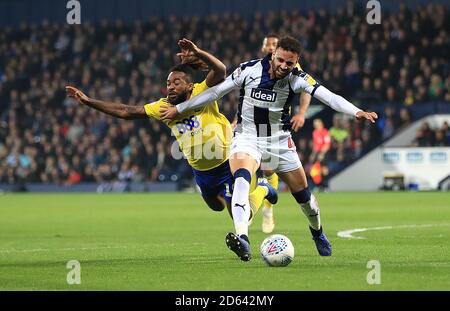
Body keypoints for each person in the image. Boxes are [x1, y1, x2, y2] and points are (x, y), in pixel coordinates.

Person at [161, 36, 378, 261]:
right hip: (247, 137)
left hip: (279, 142)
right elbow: (215, 92)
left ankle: (318, 232)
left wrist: (356, 112)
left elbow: (328, 96)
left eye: (290, 63)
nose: (284, 66)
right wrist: (181, 109)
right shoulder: (248, 70)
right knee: (241, 181)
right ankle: (243, 239)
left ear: (297, 62)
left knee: (305, 199)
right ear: (273, 55)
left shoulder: (298, 79)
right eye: (281, 60)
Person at [65, 38, 276, 221]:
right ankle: (236, 195)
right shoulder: (162, 107)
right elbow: (125, 111)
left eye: (177, 82)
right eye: (168, 83)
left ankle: (264, 189)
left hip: (224, 163)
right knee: (216, 206)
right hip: (200, 172)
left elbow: (220, 70)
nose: (171, 86)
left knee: (241, 215)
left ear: (190, 86)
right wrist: (88, 101)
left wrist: (198, 52)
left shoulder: (203, 91)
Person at [233, 34, 314, 234]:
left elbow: (308, 89)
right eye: (267, 45)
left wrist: (302, 113)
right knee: (244, 171)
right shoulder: (254, 69)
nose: (270, 47)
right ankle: (249, 208)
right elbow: (247, 100)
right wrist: (236, 122)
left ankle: (268, 209)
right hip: (251, 129)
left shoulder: (291, 68)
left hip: (274, 130)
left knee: (268, 171)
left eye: (273, 45)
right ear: (264, 49)